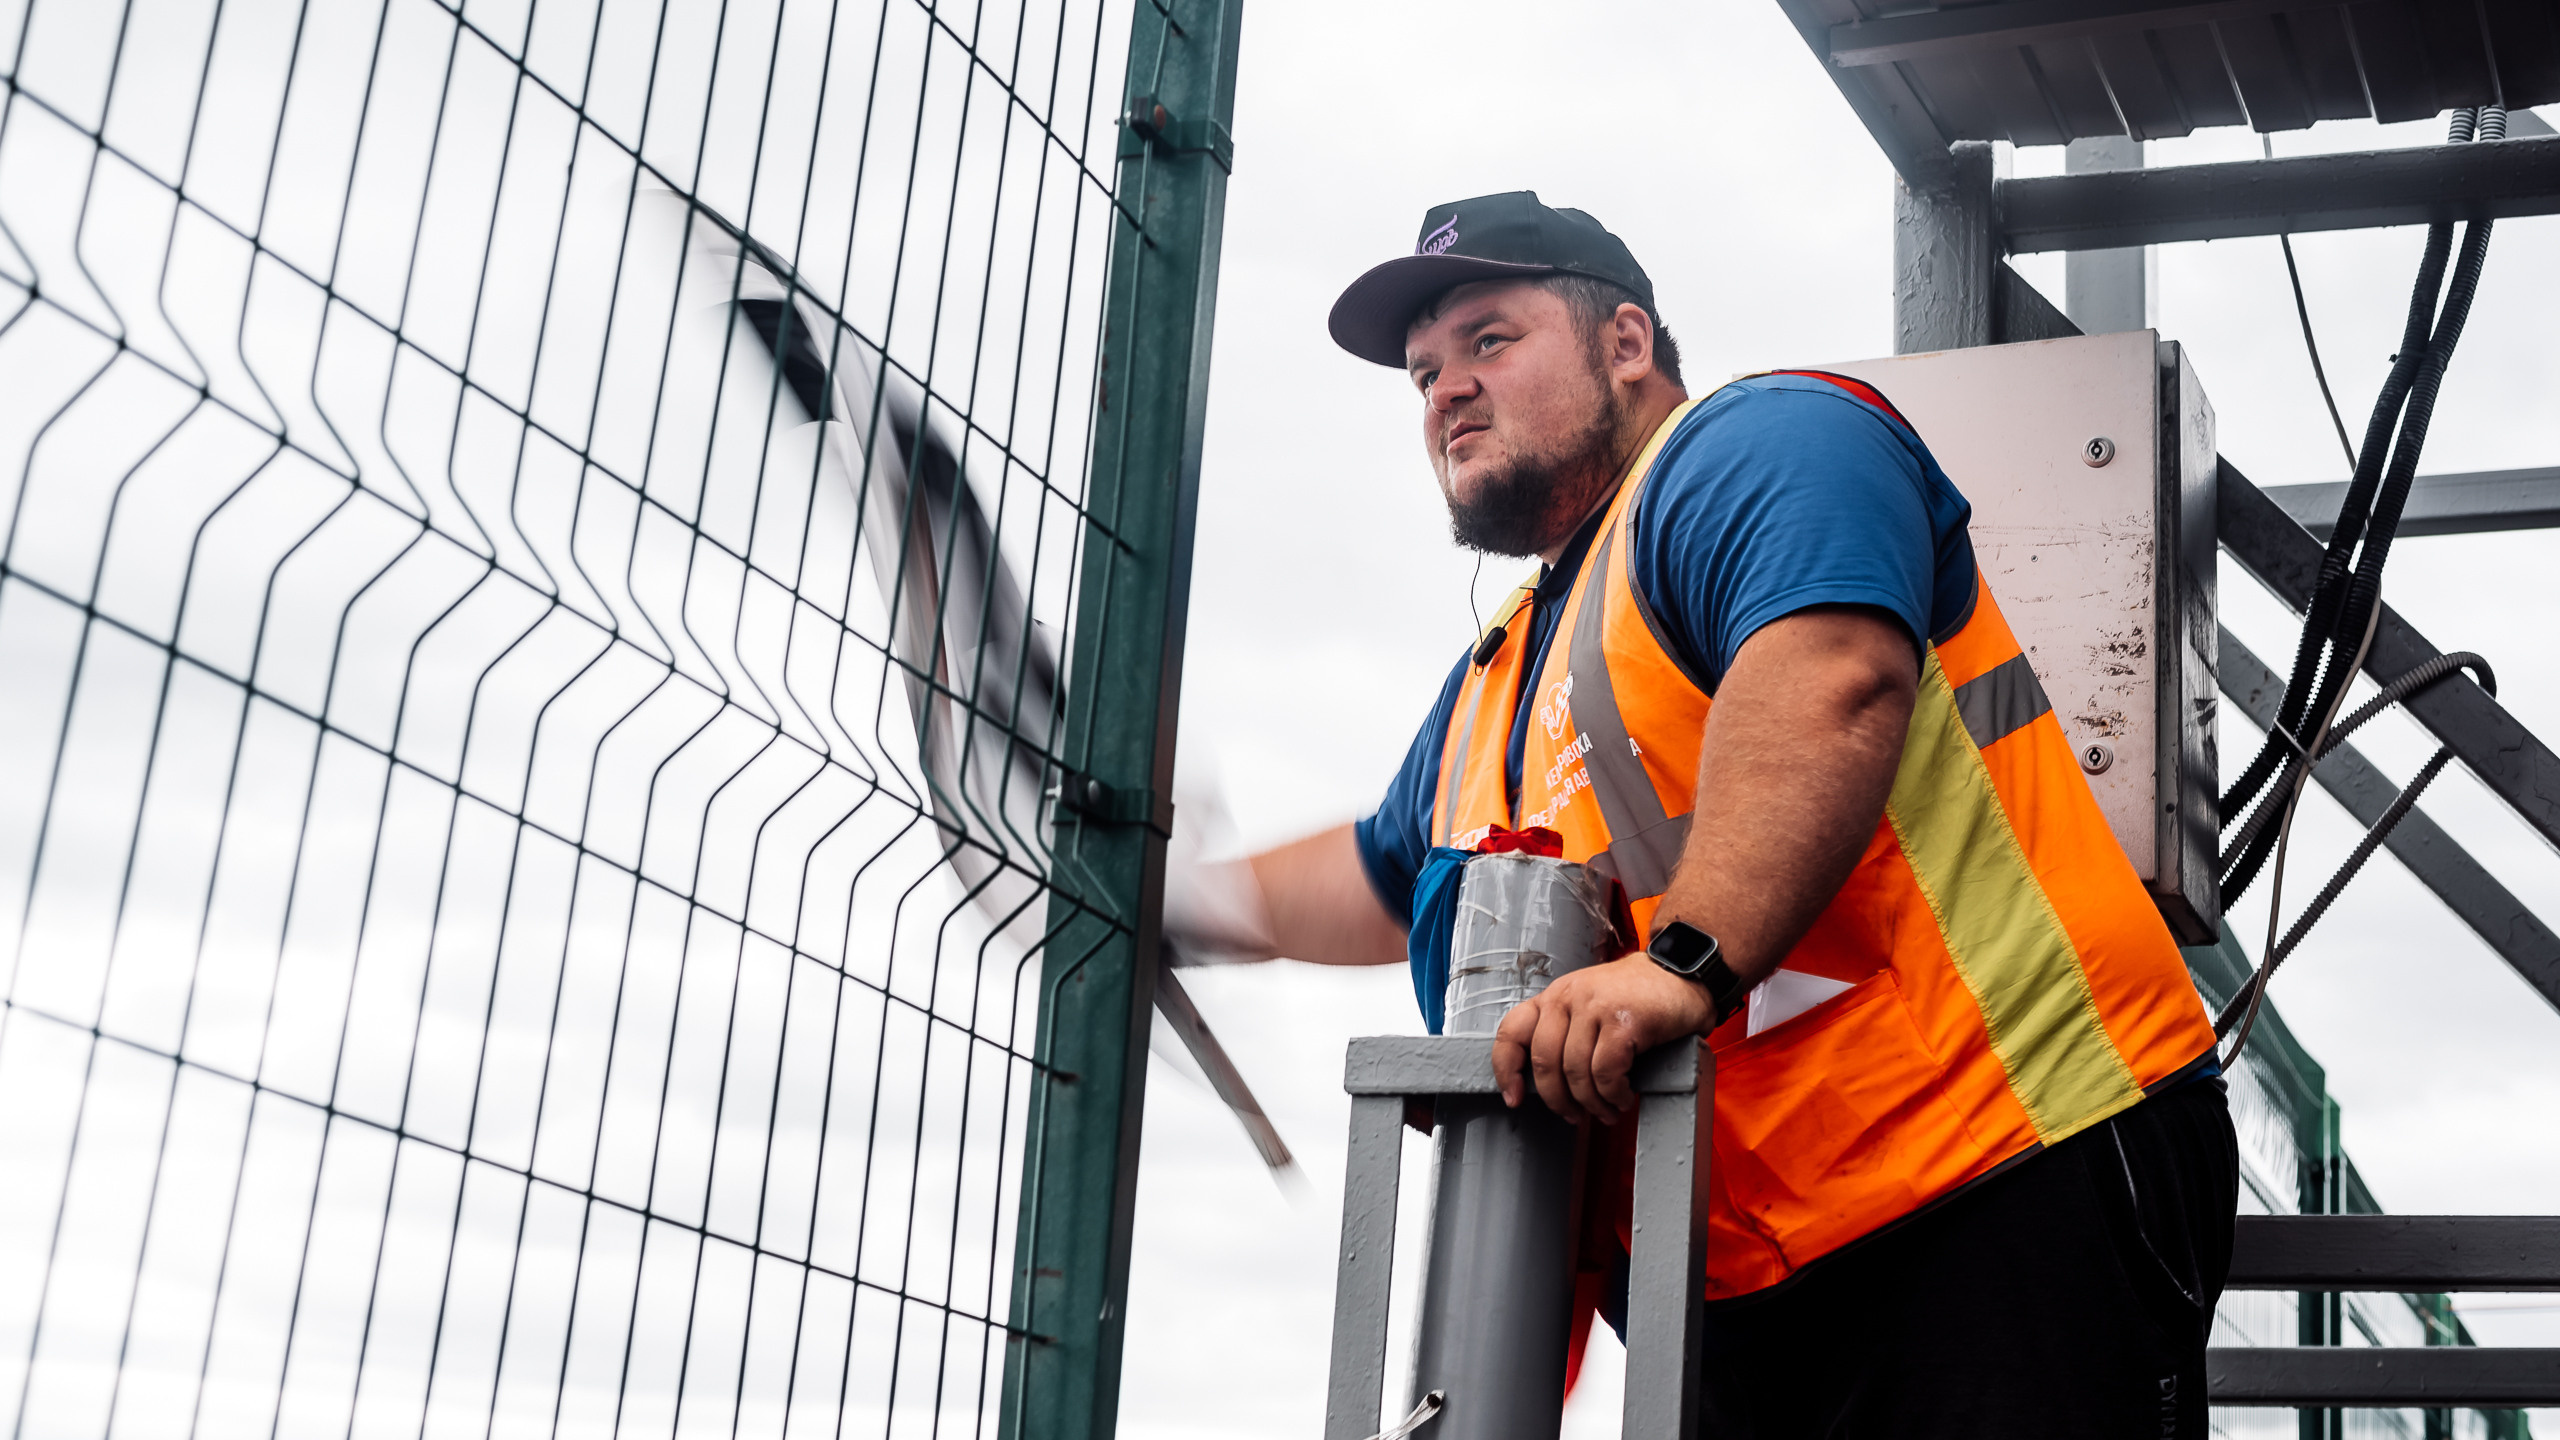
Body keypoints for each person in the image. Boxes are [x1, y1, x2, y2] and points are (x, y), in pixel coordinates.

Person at [1225, 192, 2239, 1437]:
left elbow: (1831, 676)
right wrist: (1172, 899)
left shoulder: (1759, 447)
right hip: (1739, 1276)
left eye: (1489, 340)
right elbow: (1382, 877)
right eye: (1424, 371)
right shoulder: (1505, 670)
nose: (1444, 392)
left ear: (1626, 343)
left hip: (1999, 1170)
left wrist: (1681, 962)